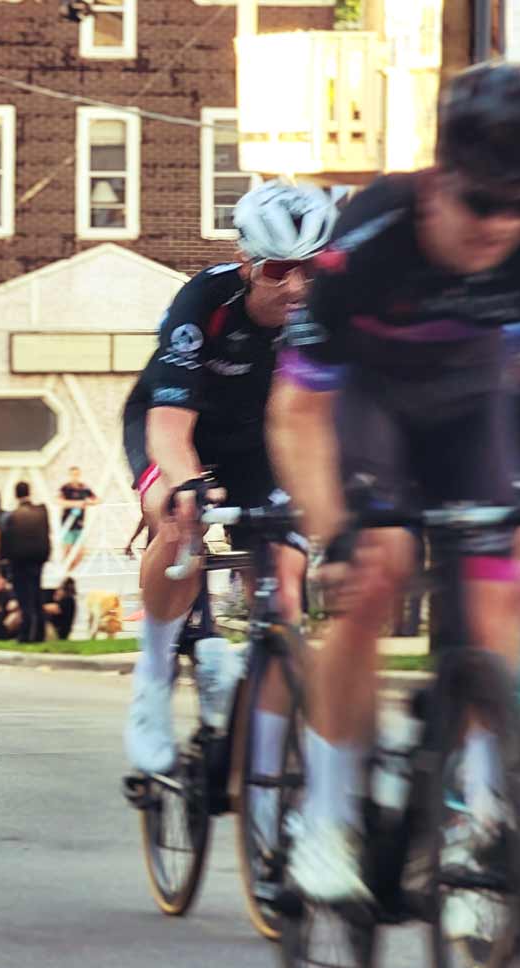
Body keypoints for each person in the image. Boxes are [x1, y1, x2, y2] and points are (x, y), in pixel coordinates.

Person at [269, 64, 520, 902]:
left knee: (505, 584)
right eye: (483, 203)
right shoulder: (365, 242)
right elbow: (295, 413)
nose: (502, 225)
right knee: (378, 571)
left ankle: (479, 815)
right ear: (441, 179)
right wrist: (336, 532)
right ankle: (325, 820)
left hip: (474, 415)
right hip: (368, 412)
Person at [120, 179, 333, 832]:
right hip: (185, 433)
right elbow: (169, 430)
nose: (295, 286)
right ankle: (154, 674)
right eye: (277, 270)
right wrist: (185, 487)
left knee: (286, 593)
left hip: (266, 448)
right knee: (182, 527)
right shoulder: (204, 303)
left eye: (310, 269)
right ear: (246, 263)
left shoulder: (333, 310)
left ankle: (261, 755)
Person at [0, 482, 50, 643]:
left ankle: (26, 634)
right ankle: (40, 633)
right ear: (29, 492)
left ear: (16, 495)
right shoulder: (41, 511)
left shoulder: (11, 516)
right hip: (38, 559)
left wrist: (4, 562)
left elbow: (6, 542)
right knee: (36, 596)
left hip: (19, 561)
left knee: (24, 599)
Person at [57, 468, 98, 567]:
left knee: (80, 552)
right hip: (67, 523)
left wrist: (88, 502)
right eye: (72, 475)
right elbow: (59, 501)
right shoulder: (65, 488)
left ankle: (71, 572)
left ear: (79, 475)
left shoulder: (84, 488)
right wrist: (76, 504)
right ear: (70, 475)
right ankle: (66, 573)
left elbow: (97, 500)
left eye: (76, 475)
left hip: (79, 524)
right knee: (67, 551)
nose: (74, 477)